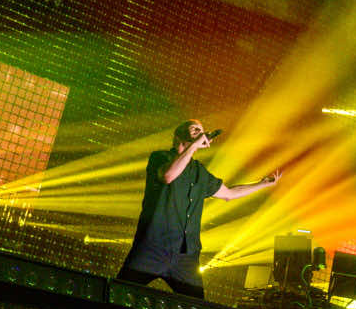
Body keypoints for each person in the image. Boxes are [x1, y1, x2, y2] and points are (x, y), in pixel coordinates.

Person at [116, 119, 281, 298]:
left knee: (197, 307)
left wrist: (262, 184)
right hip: (153, 247)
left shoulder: (200, 172)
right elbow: (168, 175)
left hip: (185, 256)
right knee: (117, 294)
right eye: (194, 128)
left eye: (202, 130)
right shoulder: (160, 157)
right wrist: (194, 145)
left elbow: (229, 193)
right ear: (178, 136)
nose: (200, 132)